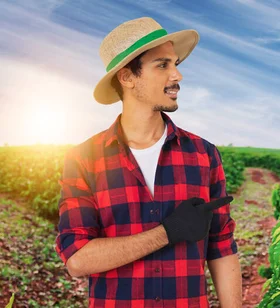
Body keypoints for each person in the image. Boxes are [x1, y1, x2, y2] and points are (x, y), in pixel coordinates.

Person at [54, 17, 242, 307]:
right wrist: (168, 232)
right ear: (127, 77)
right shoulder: (84, 159)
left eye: (176, 63)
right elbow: (78, 259)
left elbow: (222, 246)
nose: (177, 75)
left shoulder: (204, 154)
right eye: (162, 65)